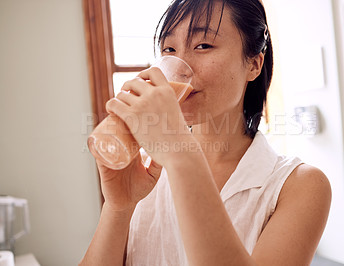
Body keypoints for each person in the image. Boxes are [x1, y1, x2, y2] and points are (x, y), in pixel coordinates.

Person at [80, 0, 331, 265]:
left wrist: (180, 153)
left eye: (203, 45)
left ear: (254, 65)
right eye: (169, 49)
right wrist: (118, 208)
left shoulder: (300, 186)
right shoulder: (145, 175)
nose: (180, 65)